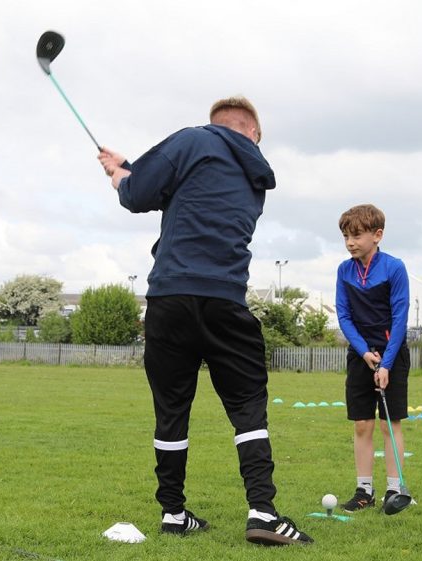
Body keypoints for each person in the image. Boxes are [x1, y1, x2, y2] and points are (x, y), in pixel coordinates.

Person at [97, 96, 313, 545]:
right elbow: (191, 192)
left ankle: (173, 513)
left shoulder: (193, 140)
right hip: (224, 301)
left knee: (171, 409)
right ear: (252, 133)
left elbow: (138, 195)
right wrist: (131, 167)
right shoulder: (257, 176)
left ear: (215, 125)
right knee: (248, 408)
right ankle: (263, 513)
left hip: (170, 298)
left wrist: (119, 173)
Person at [334, 204, 411, 512]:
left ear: (377, 235)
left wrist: (387, 363)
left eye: (356, 235)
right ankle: (363, 490)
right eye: (345, 236)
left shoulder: (394, 267)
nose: (350, 242)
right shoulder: (344, 270)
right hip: (360, 354)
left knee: (389, 425)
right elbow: (344, 315)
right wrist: (364, 351)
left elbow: (400, 317)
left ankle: (395, 490)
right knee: (363, 424)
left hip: (392, 352)